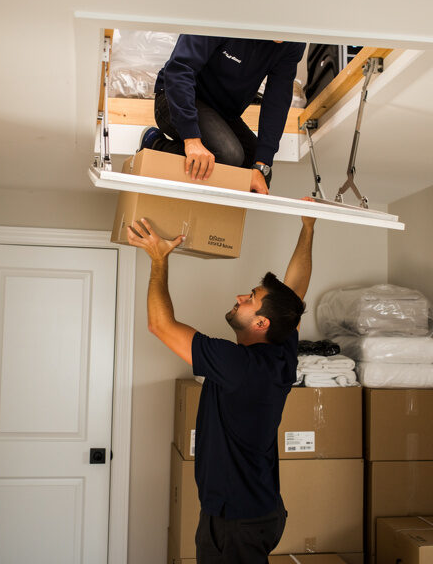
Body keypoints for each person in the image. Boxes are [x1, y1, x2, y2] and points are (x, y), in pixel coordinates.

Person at [126, 215, 315, 563]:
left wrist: (158, 259)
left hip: (237, 522)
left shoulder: (238, 366)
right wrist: (308, 228)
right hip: (255, 512)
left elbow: (160, 325)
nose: (240, 297)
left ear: (261, 322)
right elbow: (296, 291)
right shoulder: (280, 352)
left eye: (250, 298)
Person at [140, 35, 307, 195]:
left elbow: (277, 102)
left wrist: (261, 165)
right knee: (228, 155)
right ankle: (155, 145)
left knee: (252, 169)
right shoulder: (224, 18)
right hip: (175, 98)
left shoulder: (292, 42)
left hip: (221, 114)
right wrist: (191, 139)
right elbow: (179, 71)